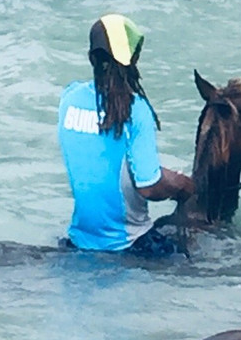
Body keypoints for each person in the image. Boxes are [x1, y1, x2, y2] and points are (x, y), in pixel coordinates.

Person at [58, 14, 195, 254]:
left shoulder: (68, 99)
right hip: (128, 243)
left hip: (79, 238)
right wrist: (183, 185)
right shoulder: (135, 109)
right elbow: (148, 185)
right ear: (135, 59)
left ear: (91, 58)